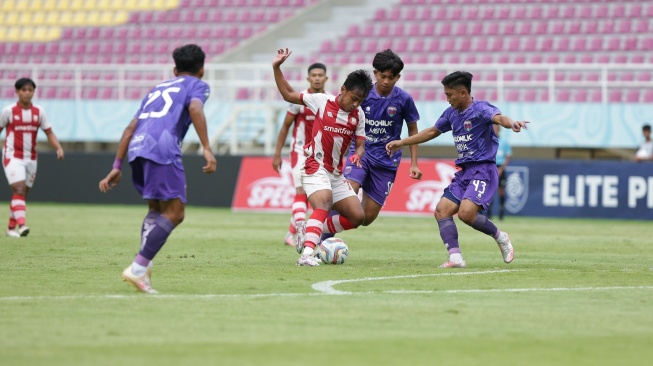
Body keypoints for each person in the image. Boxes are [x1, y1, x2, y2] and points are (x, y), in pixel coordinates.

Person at [99, 44, 217, 293]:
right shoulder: (197, 85)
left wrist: (117, 165)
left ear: (175, 69)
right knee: (175, 213)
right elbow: (195, 108)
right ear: (202, 70)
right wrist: (206, 147)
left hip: (137, 147)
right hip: (162, 147)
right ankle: (138, 268)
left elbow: (130, 129)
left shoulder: (156, 88)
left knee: (156, 208)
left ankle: (143, 271)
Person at [386, 71, 529, 268]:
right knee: (441, 211)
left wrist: (512, 123)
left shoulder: (481, 109)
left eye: (449, 94)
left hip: (483, 170)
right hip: (464, 172)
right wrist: (402, 142)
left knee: (466, 214)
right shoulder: (451, 113)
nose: (447, 99)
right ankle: (455, 257)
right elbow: (431, 132)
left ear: (463, 92)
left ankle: (501, 237)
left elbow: (500, 118)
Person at [272, 48, 373, 267]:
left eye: (360, 101)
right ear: (343, 89)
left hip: (336, 173)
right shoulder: (321, 101)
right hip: (314, 166)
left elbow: (361, 144)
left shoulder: (359, 115)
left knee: (357, 217)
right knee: (324, 203)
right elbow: (288, 95)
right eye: (354, 98)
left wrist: (357, 154)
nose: (356, 104)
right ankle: (307, 254)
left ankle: (309, 229)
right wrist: (277, 67)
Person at [320, 49, 422, 240]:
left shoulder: (404, 99)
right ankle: (319, 240)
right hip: (361, 155)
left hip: (386, 163)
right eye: (383, 76)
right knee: (344, 198)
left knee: (365, 218)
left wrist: (414, 163)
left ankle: (317, 228)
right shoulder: (362, 96)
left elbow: (413, 131)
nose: (386, 81)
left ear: (398, 77)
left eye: (391, 78)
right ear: (375, 73)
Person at [271, 62, 329, 247]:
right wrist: (277, 154)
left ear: (326, 78)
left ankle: (290, 234)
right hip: (300, 152)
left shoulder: (330, 101)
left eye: (321, 75)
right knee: (301, 192)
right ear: (308, 78)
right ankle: (302, 234)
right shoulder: (299, 100)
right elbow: (285, 127)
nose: (317, 78)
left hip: (320, 156)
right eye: (314, 75)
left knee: (315, 197)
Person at [0, 77, 64, 238]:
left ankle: (10, 228)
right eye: (24, 90)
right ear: (17, 92)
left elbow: (48, 132)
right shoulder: (8, 111)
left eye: (30, 90)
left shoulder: (39, 112)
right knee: (19, 189)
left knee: (21, 194)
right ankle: (22, 226)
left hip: (31, 157)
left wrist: (58, 147)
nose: (28, 93)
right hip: (12, 155)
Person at [487, 123, 512, 220]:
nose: (495, 130)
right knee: (490, 191)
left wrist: (501, 168)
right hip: (490, 167)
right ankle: (489, 213)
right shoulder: (488, 140)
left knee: (501, 191)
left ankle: (501, 212)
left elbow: (508, 155)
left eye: (497, 128)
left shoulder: (504, 142)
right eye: (493, 128)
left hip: (500, 167)